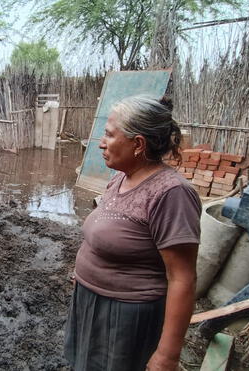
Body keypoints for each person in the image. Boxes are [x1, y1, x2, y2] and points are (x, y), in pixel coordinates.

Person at [64, 95, 201, 371]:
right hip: (91, 301)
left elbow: (182, 278)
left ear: (138, 144)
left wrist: (167, 355)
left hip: (127, 317)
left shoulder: (171, 194)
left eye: (109, 135)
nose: (101, 143)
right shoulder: (119, 179)